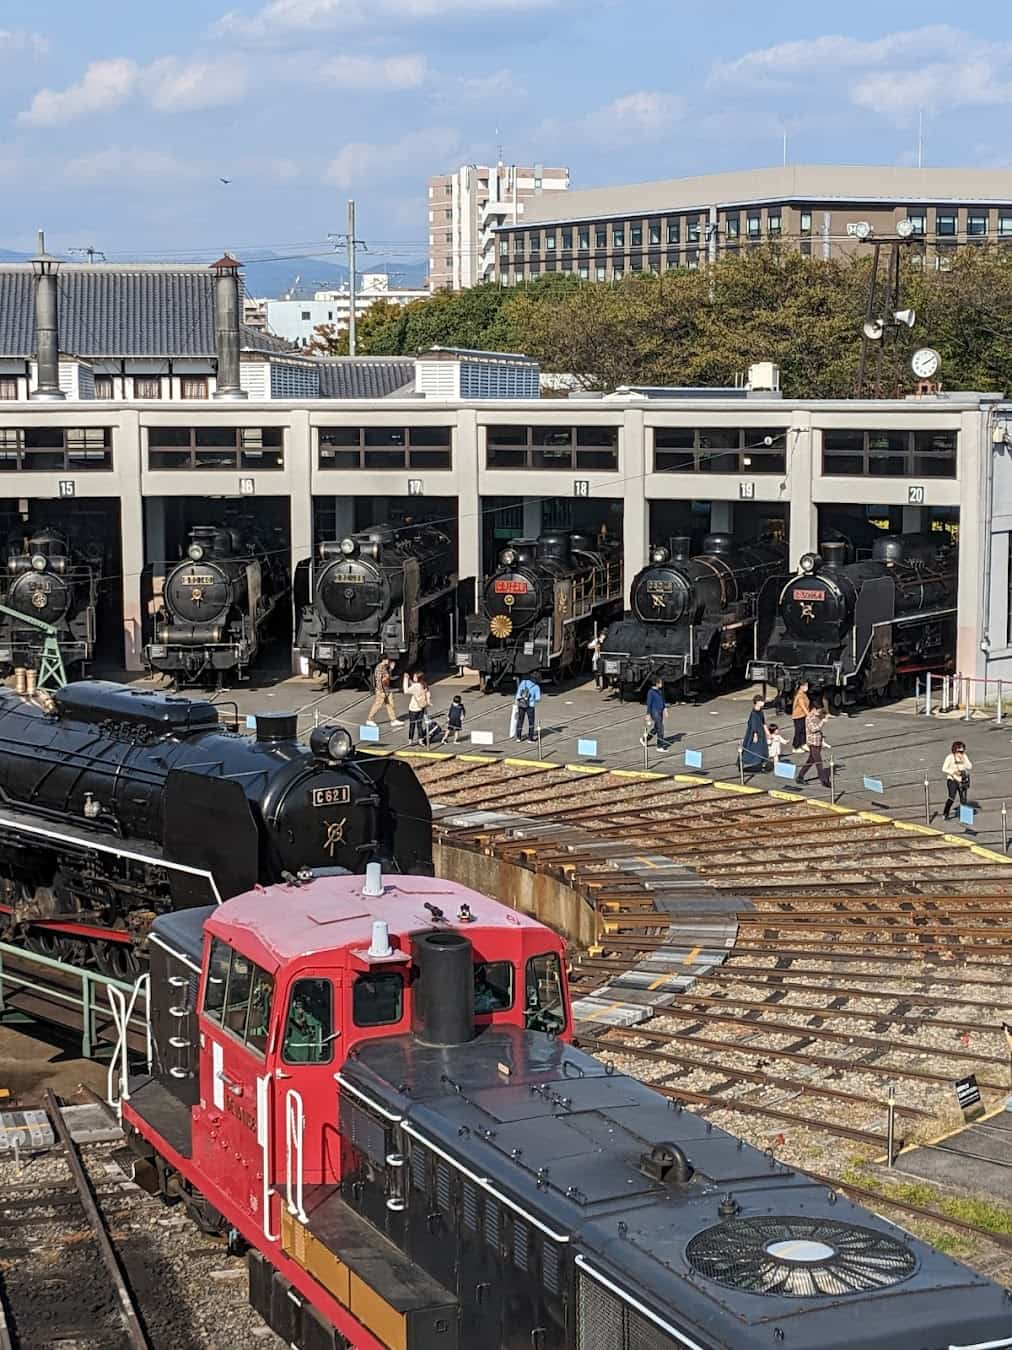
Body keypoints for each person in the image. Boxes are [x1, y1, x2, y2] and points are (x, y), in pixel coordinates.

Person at [797, 706, 831, 787]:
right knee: (819, 762)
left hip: (817, 742)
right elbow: (814, 729)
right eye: (817, 711)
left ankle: (800, 776)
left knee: (810, 760)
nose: (818, 712)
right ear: (813, 710)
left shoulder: (816, 717)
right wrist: (823, 721)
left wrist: (825, 716)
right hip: (813, 743)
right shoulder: (809, 718)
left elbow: (823, 715)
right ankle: (824, 781)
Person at [366, 657, 404, 728]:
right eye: (387, 659)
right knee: (378, 704)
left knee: (390, 704)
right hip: (382, 690)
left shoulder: (385, 667)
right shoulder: (379, 668)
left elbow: (387, 676)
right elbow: (378, 680)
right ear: (384, 660)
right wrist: (381, 691)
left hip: (387, 689)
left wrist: (391, 669)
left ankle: (393, 720)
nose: (389, 661)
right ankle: (369, 719)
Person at [942, 740, 973, 820]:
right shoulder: (950, 757)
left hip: (962, 780)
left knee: (963, 799)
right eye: (959, 751)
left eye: (962, 751)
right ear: (955, 750)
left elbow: (969, 767)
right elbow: (944, 768)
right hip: (952, 779)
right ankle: (945, 813)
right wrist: (953, 772)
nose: (960, 753)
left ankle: (966, 818)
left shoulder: (964, 757)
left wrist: (964, 760)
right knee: (952, 797)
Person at [640, 677, 668, 751]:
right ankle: (660, 746)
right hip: (654, 711)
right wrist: (648, 714)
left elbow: (662, 700)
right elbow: (649, 703)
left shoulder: (660, 691)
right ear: (657, 683)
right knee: (660, 728)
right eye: (661, 683)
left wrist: (665, 709)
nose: (662, 685)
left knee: (656, 728)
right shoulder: (651, 692)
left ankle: (645, 739)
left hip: (660, 711)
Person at [741, 694, 769, 772]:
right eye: (761, 701)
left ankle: (763, 765)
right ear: (757, 702)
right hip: (754, 733)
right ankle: (743, 762)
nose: (763, 703)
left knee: (763, 749)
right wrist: (755, 735)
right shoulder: (754, 713)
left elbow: (763, 723)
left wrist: (767, 733)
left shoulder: (760, 711)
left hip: (761, 733)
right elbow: (753, 725)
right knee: (751, 748)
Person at [403, 671, 431, 745]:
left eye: (415, 677)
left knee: (412, 725)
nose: (413, 677)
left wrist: (405, 680)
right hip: (421, 707)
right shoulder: (424, 684)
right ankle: (421, 740)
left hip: (413, 708)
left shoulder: (416, 686)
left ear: (418, 678)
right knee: (419, 725)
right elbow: (427, 693)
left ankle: (410, 740)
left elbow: (406, 691)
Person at [514, 674, 541, 743]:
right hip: (530, 706)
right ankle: (530, 738)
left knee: (520, 720)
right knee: (531, 721)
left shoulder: (524, 682)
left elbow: (518, 694)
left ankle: (518, 737)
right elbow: (538, 699)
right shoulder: (536, 687)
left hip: (521, 704)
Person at [791, 681, 811, 751]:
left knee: (803, 730)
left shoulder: (803, 694)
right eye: (806, 686)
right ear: (801, 686)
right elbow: (803, 706)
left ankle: (803, 744)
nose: (807, 687)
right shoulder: (800, 695)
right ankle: (795, 746)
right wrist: (809, 715)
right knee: (798, 731)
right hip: (798, 716)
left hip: (802, 715)